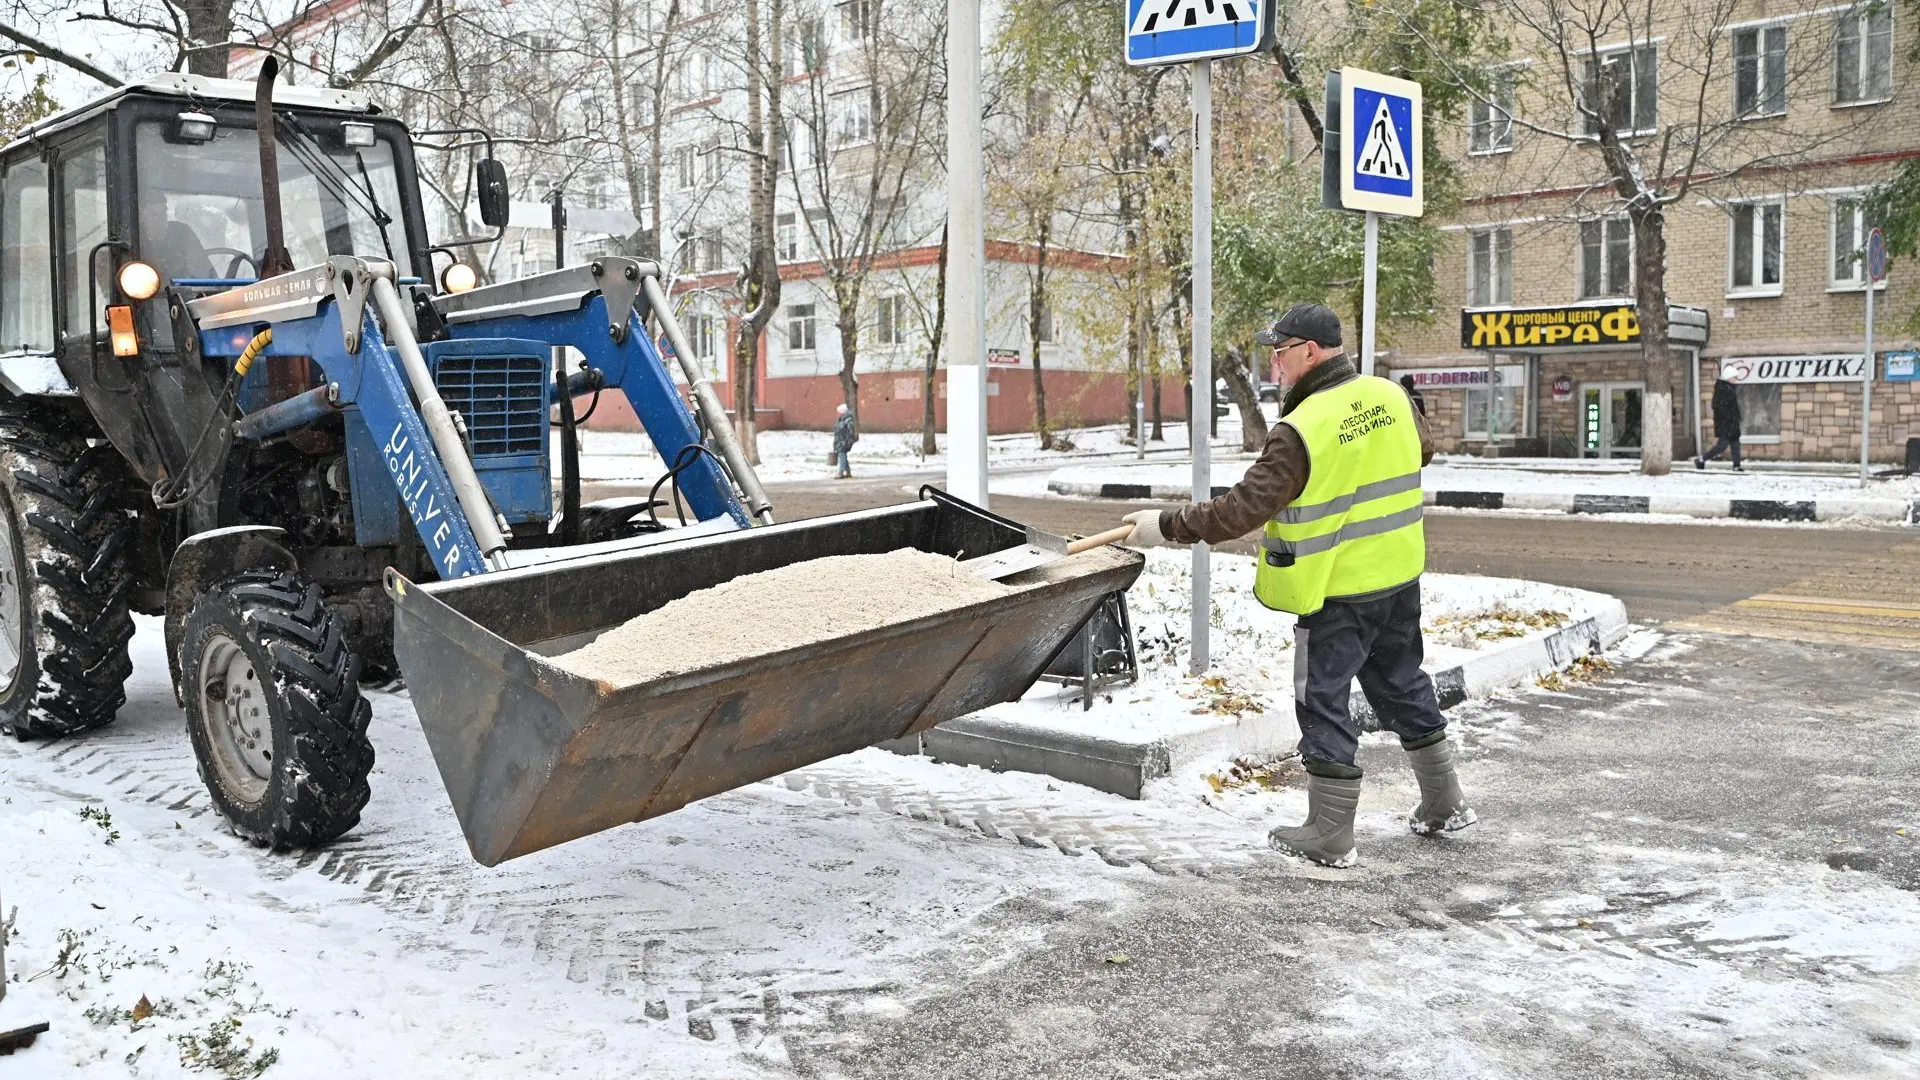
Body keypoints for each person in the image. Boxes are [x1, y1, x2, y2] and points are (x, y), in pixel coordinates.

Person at [1120, 303, 1474, 868]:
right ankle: (1444, 800)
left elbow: (1241, 510)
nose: (1276, 366)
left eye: (1280, 353)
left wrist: (1164, 527)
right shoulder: (1391, 398)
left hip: (1337, 590)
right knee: (1403, 681)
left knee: (1323, 699)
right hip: (1397, 578)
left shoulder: (1302, 428)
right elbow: (1422, 451)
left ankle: (1330, 833)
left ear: (1310, 351)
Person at [1695, 378, 1743, 471]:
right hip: (1725, 423)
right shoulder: (1723, 390)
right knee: (1722, 445)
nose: (1735, 380)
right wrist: (1729, 417)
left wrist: (1736, 418)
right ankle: (1701, 459)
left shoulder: (1730, 389)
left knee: (1735, 444)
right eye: (1734, 377)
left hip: (1732, 422)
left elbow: (1733, 408)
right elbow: (1719, 407)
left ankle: (1736, 465)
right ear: (1729, 377)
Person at [832, 402, 856, 478]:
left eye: (838, 412)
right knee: (843, 456)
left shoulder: (848, 421)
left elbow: (850, 432)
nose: (837, 413)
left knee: (842, 455)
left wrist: (848, 441)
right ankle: (848, 472)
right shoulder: (841, 420)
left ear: (842, 412)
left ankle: (841, 472)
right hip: (840, 441)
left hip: (844, 442)